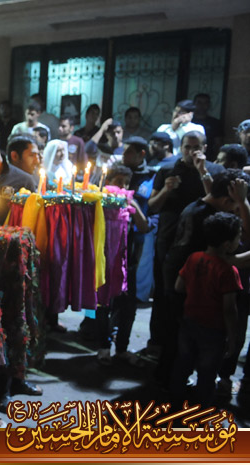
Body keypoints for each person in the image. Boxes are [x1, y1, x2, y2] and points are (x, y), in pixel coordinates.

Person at [147, 130, 225, 369]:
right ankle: (158, 343)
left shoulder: (215, 171)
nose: (191, 152)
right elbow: (152, 206)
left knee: (195, 295)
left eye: (196, 147)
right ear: (180, 148)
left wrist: (203, 172)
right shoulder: (167, 170)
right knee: (164, 293)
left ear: (205, 148)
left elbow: (218, 202)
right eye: (187, 147)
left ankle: (187, 348)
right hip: (169, 239)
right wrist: (166, 190)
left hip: (200, 242)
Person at [171, 212, 243, 408]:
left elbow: (179, 286)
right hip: (213, 330)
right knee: (207, 372)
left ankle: (175, 403)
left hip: (189, 321)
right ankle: (201, 409)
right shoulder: (228, 271)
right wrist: (233, 337)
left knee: (183, 363)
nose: (240, 240)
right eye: (238, 236)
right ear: (227, 244)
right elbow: (229, 309)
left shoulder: (194, 258)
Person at [96, 138, 155, 366]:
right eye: (118, 182)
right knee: (104, 305)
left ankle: (122, 348)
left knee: (128, 307)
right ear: (108, 182)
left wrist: (134, 205)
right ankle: (103, 347)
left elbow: (144, 226)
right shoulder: (99, 203)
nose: (122, 186)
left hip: (127, 262)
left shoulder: (130, 204)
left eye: (126, 183)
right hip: (103, 262)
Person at [192, 93, 223, 160]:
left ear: (209, 105)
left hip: (209, 157)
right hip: (189, 155)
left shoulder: (215, 123)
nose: (202, 106)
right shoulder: (189, 121)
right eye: (199, 102)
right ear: (194, 104)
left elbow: (218, 143)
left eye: (205, 103)